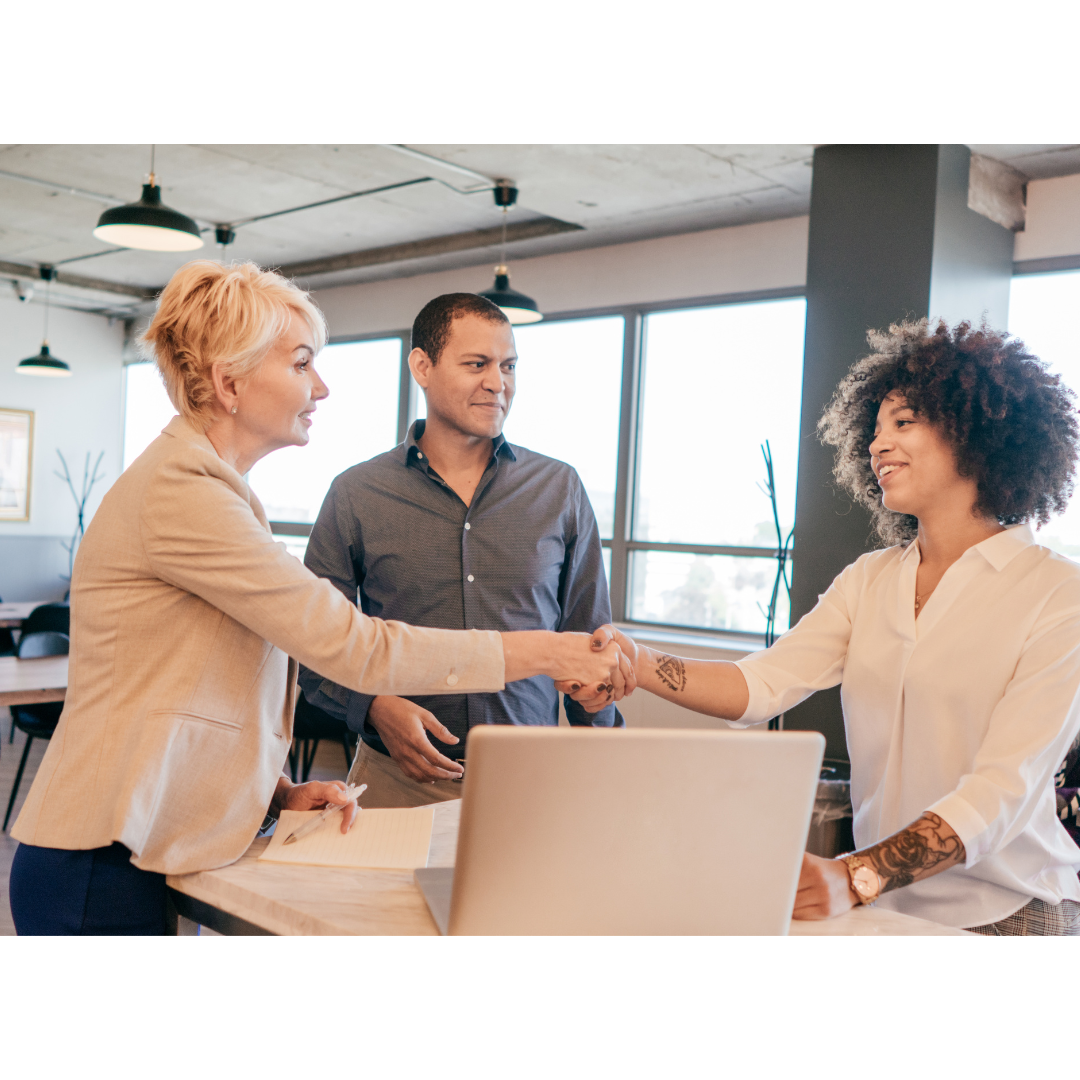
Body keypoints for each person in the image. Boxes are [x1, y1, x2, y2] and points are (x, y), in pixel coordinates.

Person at [8, 261, 628, 936]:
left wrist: (272, 795)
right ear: (230, 383)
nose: (322, 386)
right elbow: (351, 645)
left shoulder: (213, 491)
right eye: (302, 363)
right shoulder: (183, 492)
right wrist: (546, 651)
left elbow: (182, 691)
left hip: (130, 845)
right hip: (99, 857)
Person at [585, 319, 1080, 935]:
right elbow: (760, 685)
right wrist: (636, 662)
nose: (877, 445)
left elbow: (1004, 789)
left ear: (976, 433)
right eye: (873, 430)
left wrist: (854, 875)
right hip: (883, 908)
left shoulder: (1058, 592)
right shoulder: (870, 580)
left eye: (903, 423)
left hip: (1008, 912)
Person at [300, 293, 620, 807]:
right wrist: (373, 706)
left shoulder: (558, 488)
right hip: (395, 782)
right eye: (477, 364)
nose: (498, 383)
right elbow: (315, 647)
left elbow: (591, 646)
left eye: (508, 366)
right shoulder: (356, 494)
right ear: (422, 367)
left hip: (532, 784)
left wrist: (604, 769)